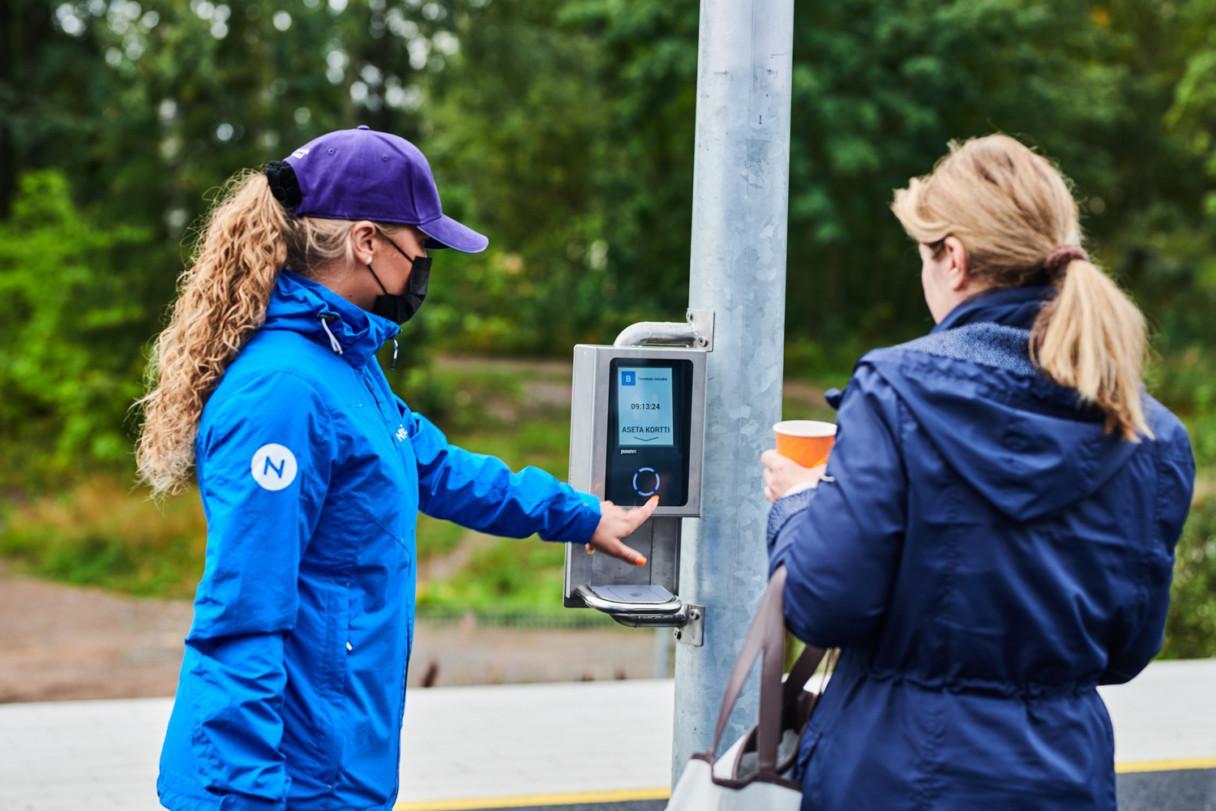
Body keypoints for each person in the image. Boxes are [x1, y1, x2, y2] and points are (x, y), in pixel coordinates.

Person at [136, 126, 656, 811]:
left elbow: (439, 468)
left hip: (336, 764)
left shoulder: (345, 363)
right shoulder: (285, 394)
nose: (423, 268)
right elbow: (243, 617)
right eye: (422, 247)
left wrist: (581, 515)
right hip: (286, 782)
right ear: (367, 241)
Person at [761, 134, 1195, 809]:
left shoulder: (895, 389)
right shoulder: (1149, 430)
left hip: (891, 776)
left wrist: (799, 506)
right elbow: (1126, 649)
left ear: (954, 259)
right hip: (1063, 780)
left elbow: (824, 603)